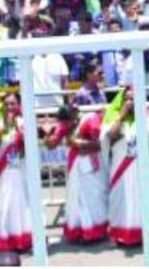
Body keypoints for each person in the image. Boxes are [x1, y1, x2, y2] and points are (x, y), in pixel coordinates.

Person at [43, 103, 108, 244]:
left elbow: (98, 145)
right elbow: (51, 145)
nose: (69, 123)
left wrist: (76, 143)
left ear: (76, 113)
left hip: (92, 167)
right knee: (76, 200)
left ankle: (95, 233)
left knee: (92, 200)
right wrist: (47, 133)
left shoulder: (90, 120)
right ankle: (79, 231)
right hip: (75, 167)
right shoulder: (64, 126)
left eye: (71, 118)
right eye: (66, 120)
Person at [0, 92, 33, 256]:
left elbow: (30, 144)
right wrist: (4, 129)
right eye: (6, 104)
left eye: (12, 103)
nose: (9, 107)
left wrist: (18, 129)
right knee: (5, 202)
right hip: (3, 171)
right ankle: (5, 239)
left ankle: (23, 238)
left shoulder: (25, 122)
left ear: (18, 105)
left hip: (21, 168)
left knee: (22, 202)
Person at [103, 87, 142, 246]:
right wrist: (122, 115)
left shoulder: (143, 116)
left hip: (138, 166)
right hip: (120, 165)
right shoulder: (114, 114)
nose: (130, 102)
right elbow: (111, 135)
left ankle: (138, 234)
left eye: (133, 99)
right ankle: (119, 234)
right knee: (120, 199)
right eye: (127, 99)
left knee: (138, 200)